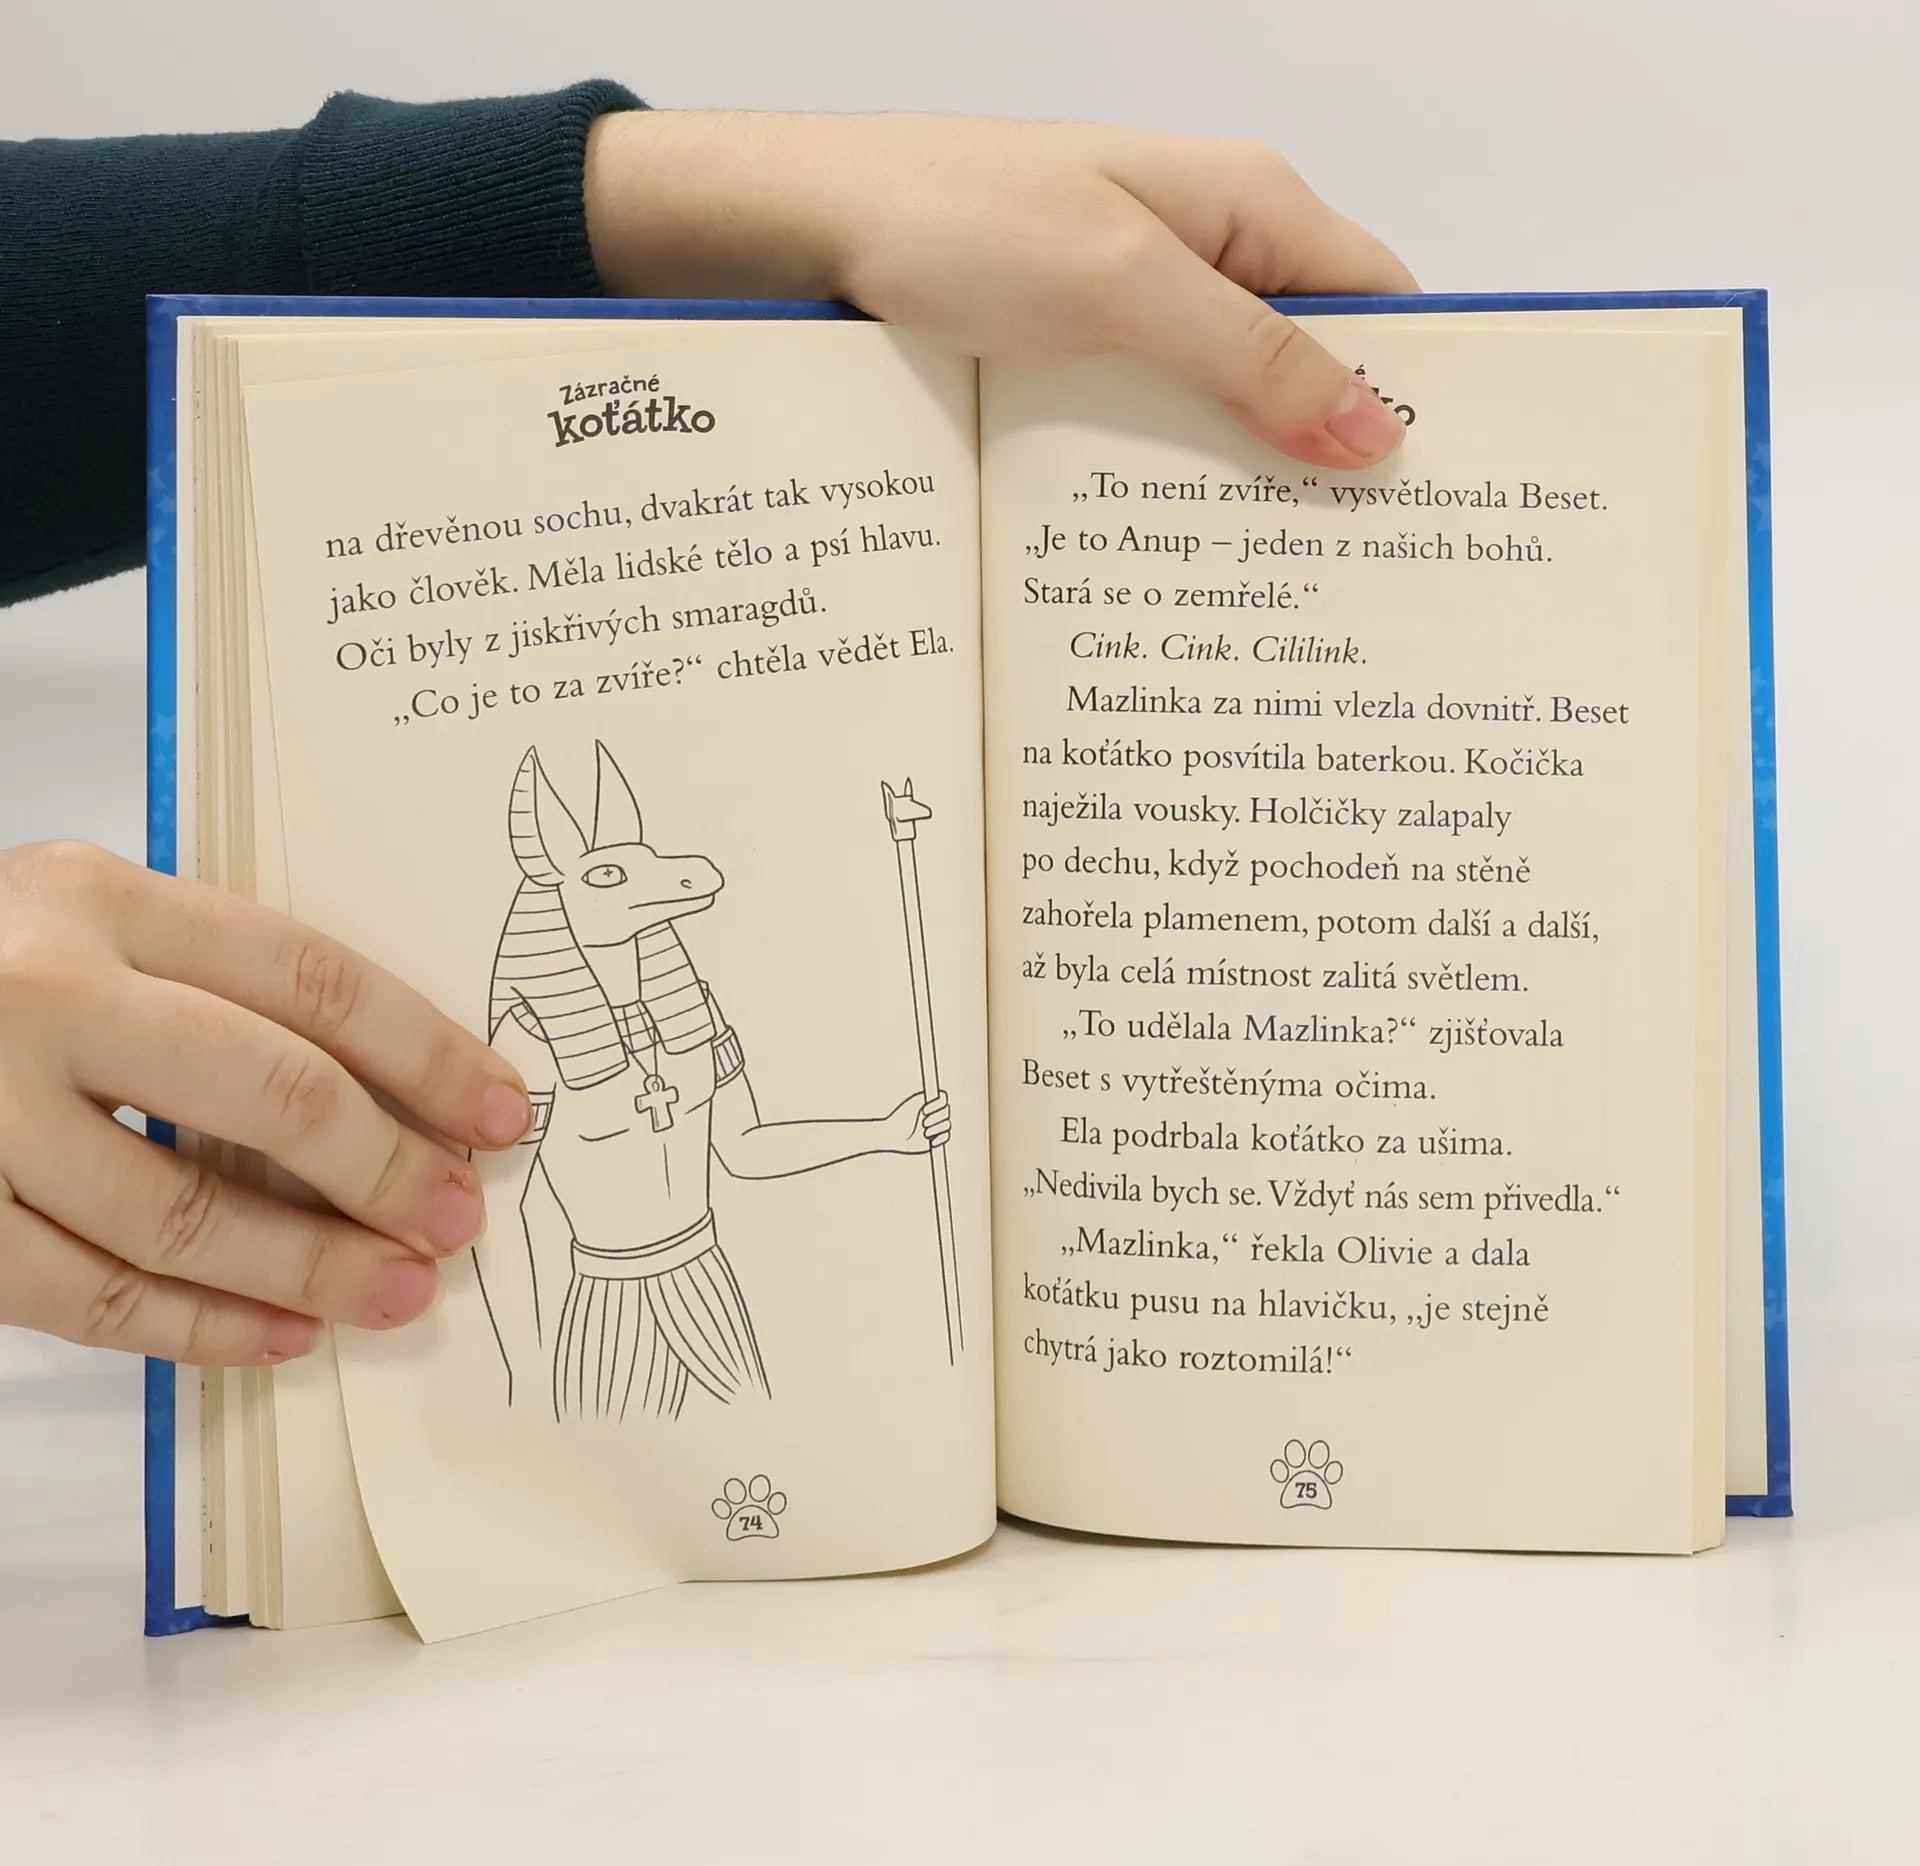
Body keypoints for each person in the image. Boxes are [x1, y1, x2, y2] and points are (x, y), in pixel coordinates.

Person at [0, 85, 1415, 1370]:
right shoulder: (539, 1021)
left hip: (711, 1293)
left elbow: (748, 1151)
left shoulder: (687, 1016)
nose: (678, 882)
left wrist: (705, 199)